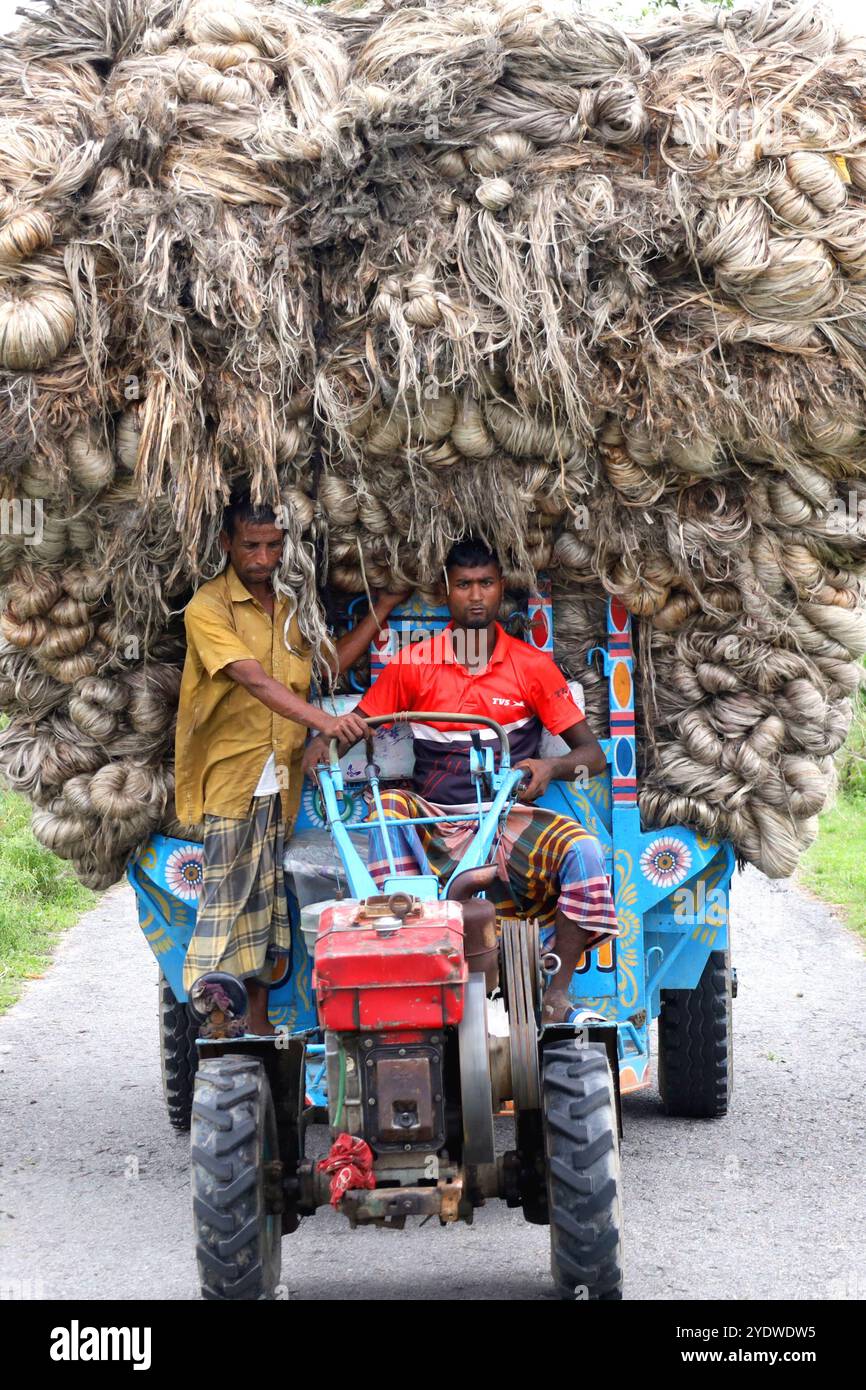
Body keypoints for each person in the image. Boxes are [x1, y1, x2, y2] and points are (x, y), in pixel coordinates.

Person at [303, 537, 619, 1022]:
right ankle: (399, 958)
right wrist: (326, 742)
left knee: (585, 852)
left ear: (501, 589)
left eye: (486, 584)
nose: (476, 596)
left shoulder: (531, 666)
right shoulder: (412, 664)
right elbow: (358, 724)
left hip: (506, 820)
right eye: (465, 585)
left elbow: (593, 755)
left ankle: (555, 987)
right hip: (432, 818)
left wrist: (549, 767)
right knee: (386, 809)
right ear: (445, 592)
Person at [174, 492, 405, 1034]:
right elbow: (252, 679)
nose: (261, 557)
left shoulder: (289, 607)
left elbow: (325, 665)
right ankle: (212, 1023)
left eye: (272, 546)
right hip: (230, 778)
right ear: (227, 544)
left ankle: (256, 1034)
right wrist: (323, 723)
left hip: (281, 783)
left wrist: (385, 605)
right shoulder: (208, 607)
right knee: (228, 904)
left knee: (270, 912)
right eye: (250, 545)